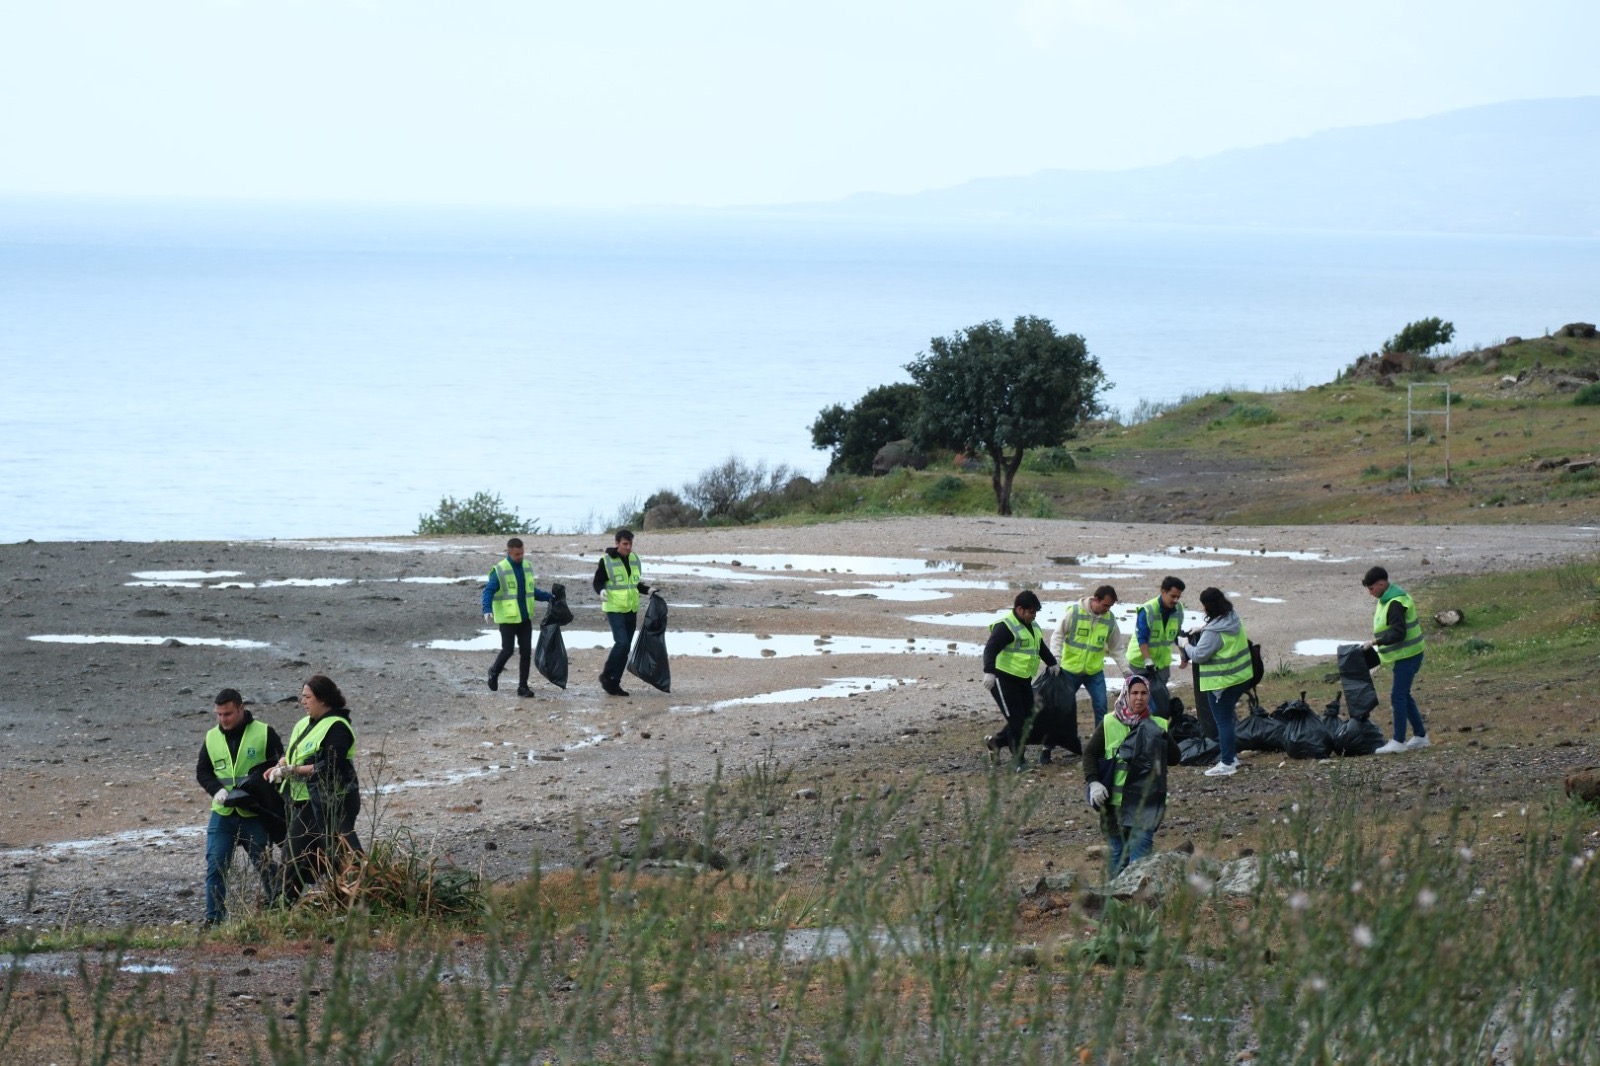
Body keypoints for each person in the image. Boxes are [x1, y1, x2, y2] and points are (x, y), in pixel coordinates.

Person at [266, 675, 362, 904]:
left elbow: (330, 766)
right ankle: (281, 908)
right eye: (302, 696)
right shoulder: (303, 723)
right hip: (303, 802)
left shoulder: (338, 727)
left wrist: (293, 771)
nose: (302, 701)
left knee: (337, 854)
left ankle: (359, 900)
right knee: (295, 857)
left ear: (323, 699)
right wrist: (279, 767)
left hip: (332, 802)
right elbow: (292, 755)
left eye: (307, 697)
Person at [196, 688, 283, 926]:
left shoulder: (265, 733)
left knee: (264, 863)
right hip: (223, 814)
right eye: (219, 714)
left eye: (228, 714)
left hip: (253, 813)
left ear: (241, 709)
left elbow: (281, 764)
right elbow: (202, 771)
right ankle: (214, 919)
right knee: (216, 864)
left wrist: (265, 789)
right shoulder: (211, 737)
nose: (223, 719)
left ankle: (279, 908)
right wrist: (217, 790)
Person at [1084, 674, 1181, 878]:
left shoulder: (1158, 725)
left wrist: (1164, 735)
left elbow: (1174, 758)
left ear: (1149, 696)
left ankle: (1137, 905)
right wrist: (1093, 783)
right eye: (1134, 693)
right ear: (1126, 695)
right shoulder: (1110, 722)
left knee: (1140, 865)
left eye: (1144, 693)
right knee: (1118, 857)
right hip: (1114, 806)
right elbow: (1090, 754)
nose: (1139, 698)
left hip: (1145, 804)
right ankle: (1112, 903)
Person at [981, 590, 1061, 764]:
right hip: (1003, 680)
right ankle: (1019, 761)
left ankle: (995, 743)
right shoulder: (1006, 627)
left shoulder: (1033, 626)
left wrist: (1052, 663)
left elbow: (1040, 647)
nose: (1034, 615)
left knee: (1026, 720)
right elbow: (990, 649)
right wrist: (989, 671)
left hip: (1023, 679)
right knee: (1017, 722)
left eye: (1035, 612)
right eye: (1031, 612)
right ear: (1020, 609)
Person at [1179, 587, 1251, 778]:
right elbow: (1217, 627)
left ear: (1208, 607)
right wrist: (1202, 628)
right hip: (1240, 677)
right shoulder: (1233, 617)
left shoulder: (1213, 632)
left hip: (1222, 683)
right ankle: (1231, 756)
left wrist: (1185, 645)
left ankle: (1227, 763)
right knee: (1228, 718)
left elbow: (1200, 655)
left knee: (1223, 721)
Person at [1363, 565, 1429, 753]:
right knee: (1404, 694)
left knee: (1398, 695)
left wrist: (1375, 642)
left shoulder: (1394, 603)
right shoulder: (1387, 597)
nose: (1370, 593)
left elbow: (1398, 634)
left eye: (1371, 588)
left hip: (1410, 655)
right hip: (1406, 654)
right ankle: (1420, 736)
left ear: (1381, 584)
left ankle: (1399, 741)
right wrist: (1378, 659)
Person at [482, 536, 554, 698]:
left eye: (521, 553)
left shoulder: (527, 566)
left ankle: (523, 687)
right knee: (507, 650)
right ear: (509, 552)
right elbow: (488, 591)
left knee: (526, 652)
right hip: (507, 619)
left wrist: (549, 597)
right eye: (516, 554)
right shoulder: (500, 570)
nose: (520, 557)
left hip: (524, 618)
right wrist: (486, 609)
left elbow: (531, 591)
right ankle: (494, 672)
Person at [1047, 584, 1124, 735]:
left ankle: (1100, 746)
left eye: (1110, 607)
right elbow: (1057, 635)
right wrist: (1055, 659)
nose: (1108, 610)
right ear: (1096, 600)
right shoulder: (1074, 612)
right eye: (1105, 605)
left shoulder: (1109, 620)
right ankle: (1048, 747)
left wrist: (1126, 671)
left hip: (1094, 673)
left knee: (1101, 706)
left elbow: (1117, 648)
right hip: (1070, 671)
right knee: (1061, 708)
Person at [593, 528, 650, 697]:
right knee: (622, 643)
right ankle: (606, 675)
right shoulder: (606, 561)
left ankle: (614, 683)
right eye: (625, 544)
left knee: (626, 649)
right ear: (617, 543)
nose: (629, 547)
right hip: (614, 608)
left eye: (631, 543)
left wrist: (649, 590)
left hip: (631, 608)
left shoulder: (634, 559)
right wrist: (601, 591)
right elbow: (598, 582)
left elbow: (635, 584)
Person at [1126, 577, 1186, 702]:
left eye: (1178, 597)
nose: (1175, 600)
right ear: (1163, 591)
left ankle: (1157, 721)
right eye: (1172, 596)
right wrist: (1148, 660)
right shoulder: (1148, 610)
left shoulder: (1179, 609)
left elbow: (1177, 633)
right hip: (1140, 663)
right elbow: (1142, 638)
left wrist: (1183, 654)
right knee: (1139, 699)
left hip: (1161, 664)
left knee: (1160, 699)